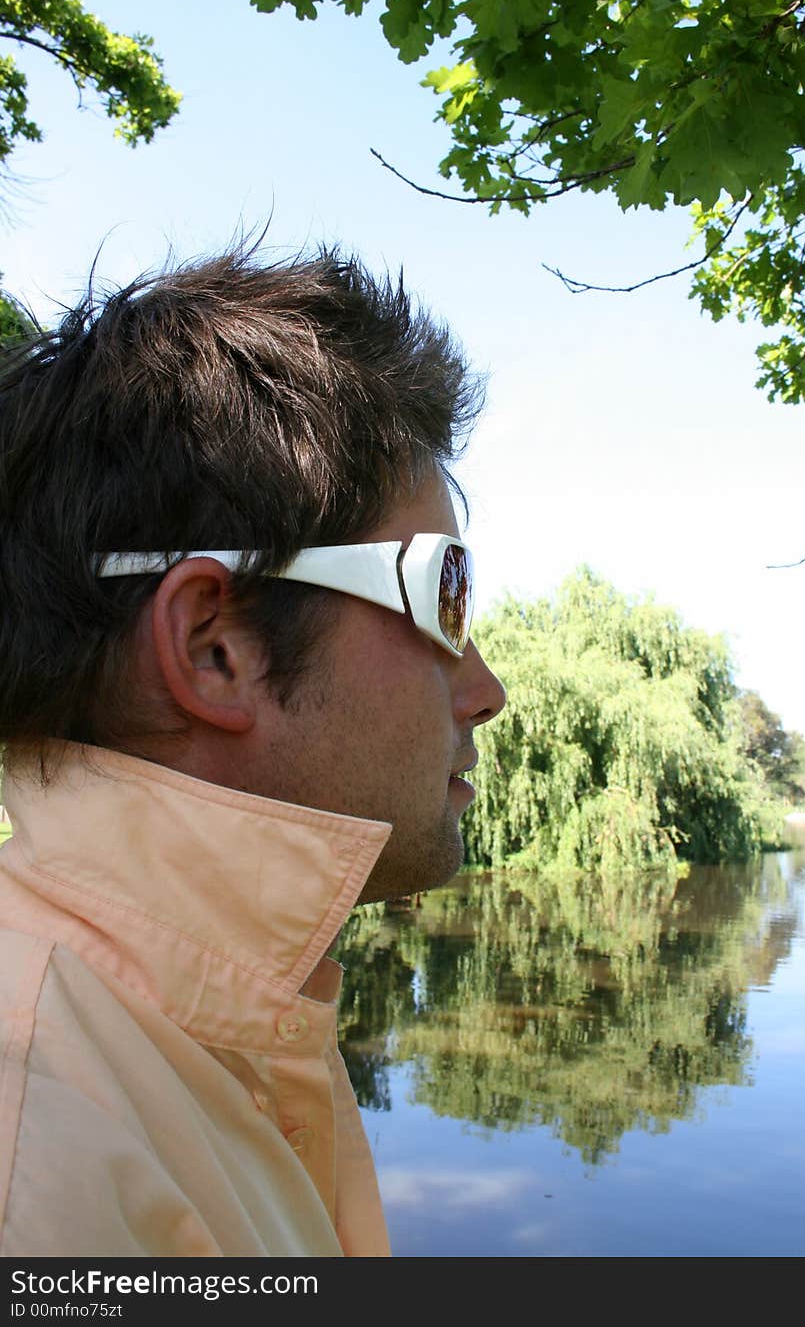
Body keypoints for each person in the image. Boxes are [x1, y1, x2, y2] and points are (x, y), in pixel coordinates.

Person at [0, 245, 506, 1257]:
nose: (486, 691)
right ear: (215, 647)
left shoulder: (212, 1034)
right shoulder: (40, 1159)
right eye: (443, 593)